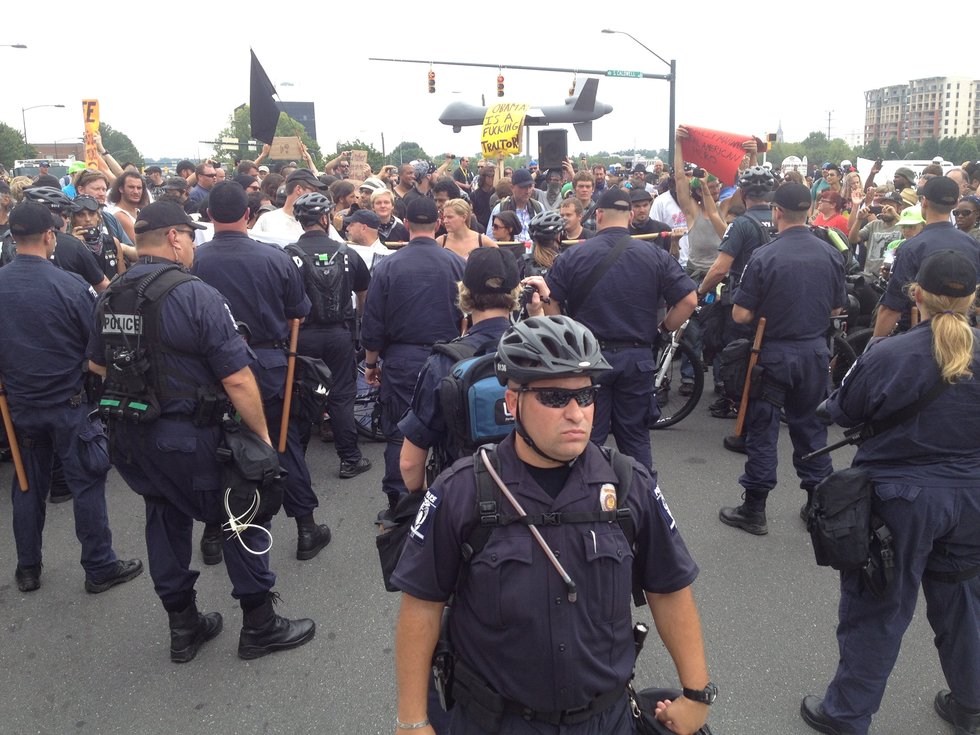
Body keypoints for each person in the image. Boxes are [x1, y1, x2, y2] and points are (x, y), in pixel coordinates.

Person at [392, 315, 714, 735]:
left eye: (586, 396)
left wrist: (695, 694)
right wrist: (413, 720)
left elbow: (668, 587)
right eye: (554, 398)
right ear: (512, 403)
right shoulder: (461, 491)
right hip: (496, 721)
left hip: (606, 719)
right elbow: (422, 606)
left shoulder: (628, 482)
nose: (577, 414)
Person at [87, 199, 315, 662]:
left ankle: (183, 627)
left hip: (132, 433)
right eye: (189, 236)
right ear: (174, 237)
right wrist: (263, 444)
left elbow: (95, 363)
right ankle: (259, 624)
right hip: (193, 434)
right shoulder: (195, 294)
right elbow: (236, 377)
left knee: (164, 518)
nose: (192, 244)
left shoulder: (110, 295)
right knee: (242, 513)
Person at [801, 249, 980, 735]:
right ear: (971, 299)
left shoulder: (888, 353)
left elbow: (841, 410)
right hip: (969, 499)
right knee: (963, 603)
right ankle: (970, 704)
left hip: (899, 502)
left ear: (915, 294)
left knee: (878, 606)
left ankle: (847, 715)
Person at [0, 201, 143, 594]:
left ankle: (28, 568)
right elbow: (100, 343)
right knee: (86, 483)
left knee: (27, 485)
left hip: (21, 407)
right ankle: (99, 567)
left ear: (13, 237)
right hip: (70, 404)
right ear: (50, 236)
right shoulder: (69, 286)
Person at [191, 182, 332, 563]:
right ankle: (305, 527)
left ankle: (213, 534)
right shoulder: (274, 258)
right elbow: (298, 311)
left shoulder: (196, 259)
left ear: (208, 217)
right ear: (250, 216)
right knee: (279, 446)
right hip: (267, 366)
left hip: (210, 370)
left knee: (218, 449)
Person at [527, 188, 698, 471]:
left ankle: (587, 500)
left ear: (599, 215)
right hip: (637, 357)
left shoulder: (574, 256)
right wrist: (662, 329)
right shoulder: (654, 255)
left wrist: (569, 335)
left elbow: (551, 299)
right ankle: (643, 503)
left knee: (587, 437)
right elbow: (689, 300)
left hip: (589, 358)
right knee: (635, 438)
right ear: (630, 217)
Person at [717, 183, 847, 535]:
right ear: (807, 211)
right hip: (815, 352)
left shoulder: (764, 255)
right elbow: (837, 308)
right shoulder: (830, 253)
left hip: (773, 353)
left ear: (776, 211)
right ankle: (817, 507)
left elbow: (741, 315)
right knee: (811, 429)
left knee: (763, 430)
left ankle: (754, 509)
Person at [360, 198, 465, 517]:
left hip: (403, 359)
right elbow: (469, 314)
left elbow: (373, 320)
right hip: (449, 356)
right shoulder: (456, 263)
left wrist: (370, 363)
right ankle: (452, 498)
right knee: (450, 428)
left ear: (405, 224)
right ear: (437, 224)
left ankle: (401, 502)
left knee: (401, 431)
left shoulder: (388, 265)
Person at [397, 246, 519, 501]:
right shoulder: (539, 352)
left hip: (465, 497)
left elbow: (410, 463)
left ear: (465, 293)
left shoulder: (443, 362)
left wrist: (420, 497)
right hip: (531, 497)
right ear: (515, 293)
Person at [288, 192, 372, 479]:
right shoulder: (347, 252)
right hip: (339, 333)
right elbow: (363, 293)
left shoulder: (288, 255)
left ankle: (295, 460)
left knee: (301, 396)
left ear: (301, 222)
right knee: (341, 397)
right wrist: (358, 323)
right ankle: (350, 458)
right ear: (325, 219)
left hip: (303, 336)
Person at [874, 177, 980, 339]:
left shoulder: (910, 247)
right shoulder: (973, 245)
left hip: (917, 334)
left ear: (924, 202)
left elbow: (892, 307)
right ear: (955, 204)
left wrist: (873, 346)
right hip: (964, 336)